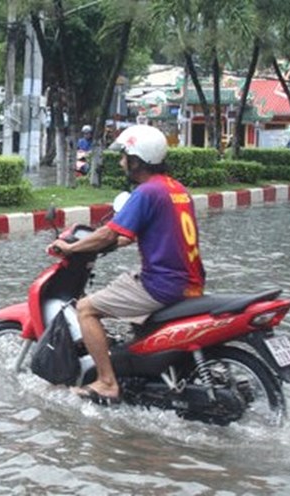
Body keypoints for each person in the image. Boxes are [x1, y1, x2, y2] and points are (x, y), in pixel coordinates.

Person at [48, 124, 205, 405]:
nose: (121, 162)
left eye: (124, 157)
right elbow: (135, 235)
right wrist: (109, 244)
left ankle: (107, 383)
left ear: (137, 159)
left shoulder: (146, 192)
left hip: (161, 284)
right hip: (189, 281)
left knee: (85, 309)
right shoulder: (177, 189)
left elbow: (109, 232)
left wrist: (71, 248)